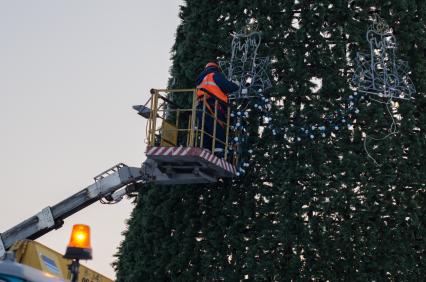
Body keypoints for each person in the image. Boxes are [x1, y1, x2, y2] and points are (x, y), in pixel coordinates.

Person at [195, 62, 239, 153]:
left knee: (205, 130)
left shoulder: (200, 79)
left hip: (200, 106)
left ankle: (205, 150)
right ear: (216, 69)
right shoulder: (215, 75)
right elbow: (227, 86)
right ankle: (219, 152)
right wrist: (236, 85)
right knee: (218, 129)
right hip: (213, 106)